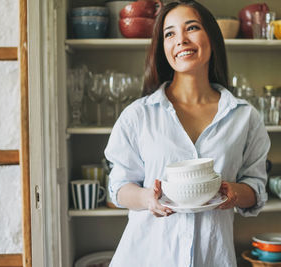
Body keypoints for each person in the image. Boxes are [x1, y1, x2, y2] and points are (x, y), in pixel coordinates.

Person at [104, 1, 270, 266]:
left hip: (212, 258)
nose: (180, 39)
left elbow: (256, 187)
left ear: (212, 38)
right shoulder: (138, 115)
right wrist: (148, 198)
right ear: (163, 48)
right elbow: (119, 188)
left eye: (191, 28)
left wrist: (234, 193)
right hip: (147, 257)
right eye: (169, 33)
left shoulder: (244, 117)